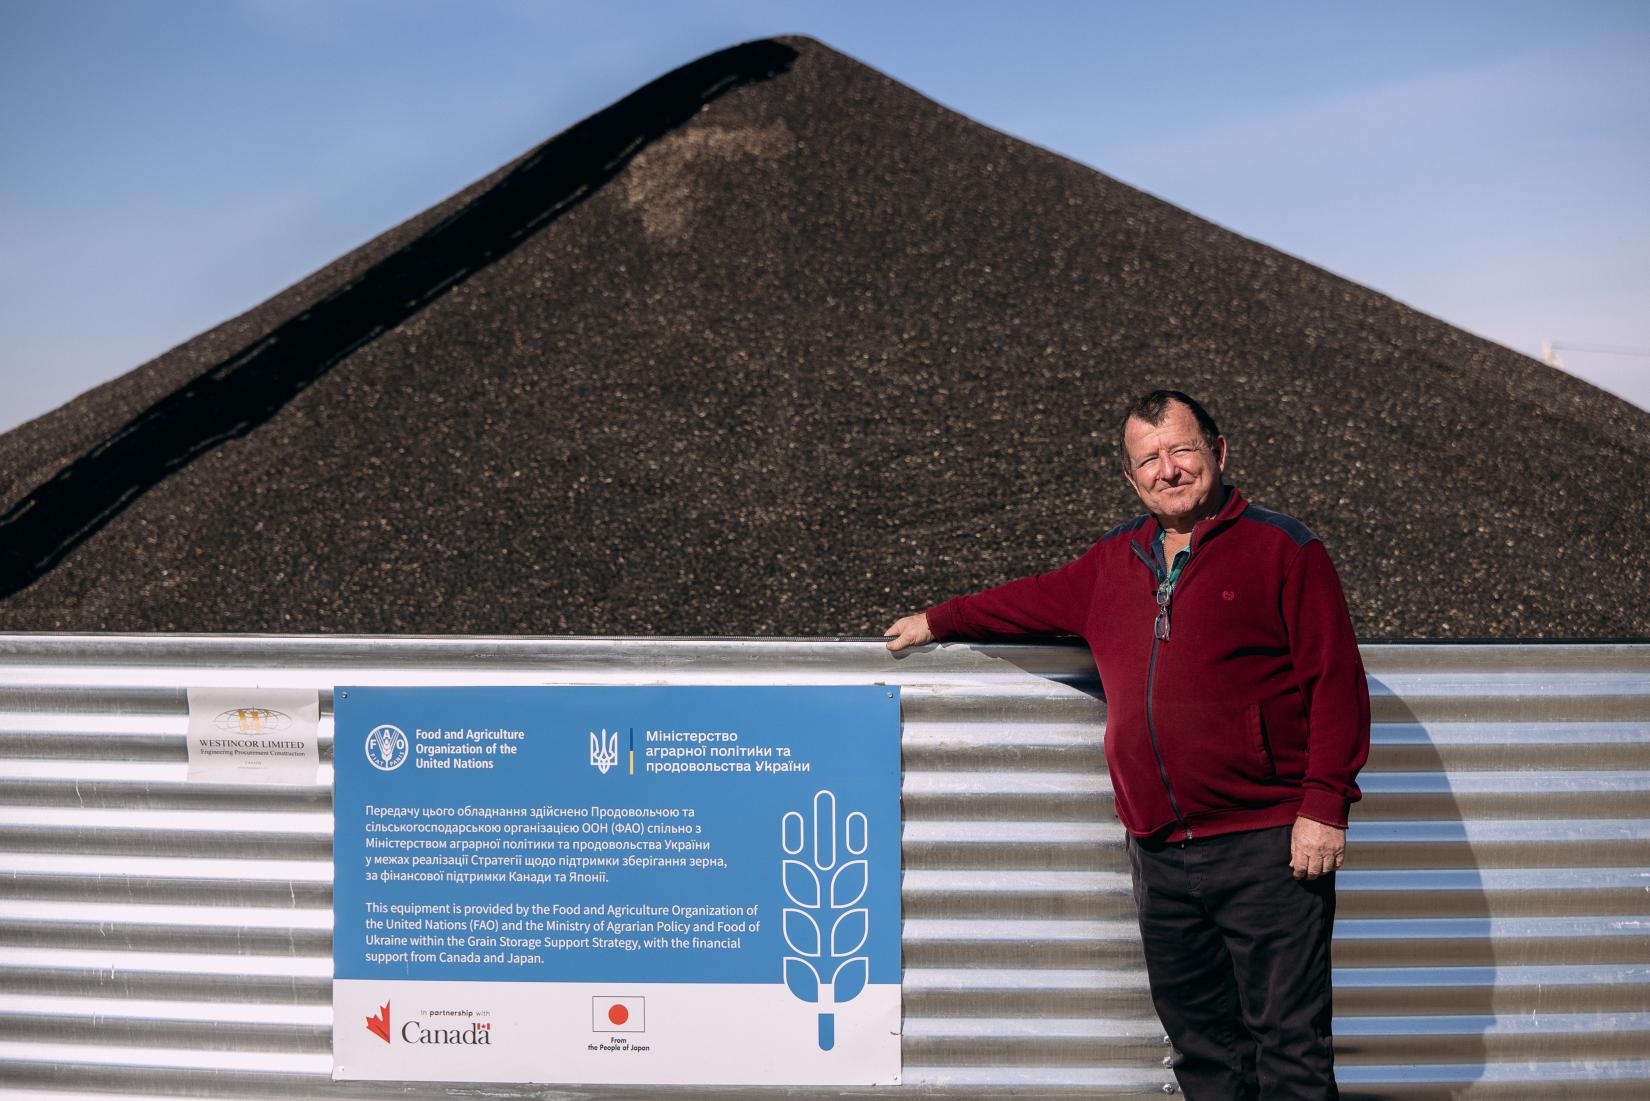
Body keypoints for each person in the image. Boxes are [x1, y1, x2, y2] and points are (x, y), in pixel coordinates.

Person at [884, 390, 1369, 1100]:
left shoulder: (1284, 550)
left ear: (1219, 453)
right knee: (1205, 1051)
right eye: (1149, 459)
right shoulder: (1116, 558)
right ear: (1131, 476)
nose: (1168, 470)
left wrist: (1324, 803)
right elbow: (1027, 600)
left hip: (1267, 845)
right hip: (1161, 853)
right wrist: (937, 618)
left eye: (1182, 451)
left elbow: (1335, 681)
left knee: (1290, 1049)